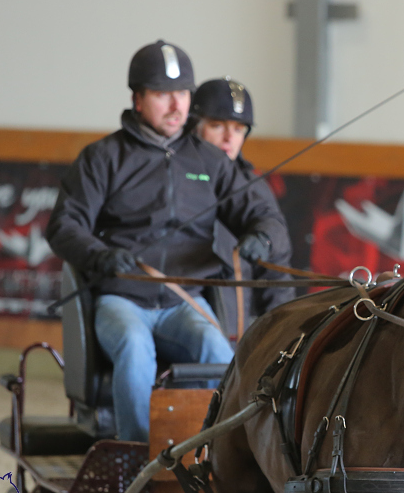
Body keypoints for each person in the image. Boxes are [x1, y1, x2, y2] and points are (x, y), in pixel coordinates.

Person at [45, 41, 290, 442]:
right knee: (133, 345)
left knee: (220, 355)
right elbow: (64, 225)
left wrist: (262, 236)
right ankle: (138, 458)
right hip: (122, 300)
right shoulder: (102, 158)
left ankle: (213, 451)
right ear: (138, 99)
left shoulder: (210, 162)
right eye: (163, 95)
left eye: (182, 94)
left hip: (183, 301)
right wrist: (100, 255)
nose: (177, 106)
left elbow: (263, 214)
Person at [191, 77, 295, 319]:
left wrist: (278, 331)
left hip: (237, 322)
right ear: (194, 125)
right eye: (217, 126)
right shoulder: (174, 174)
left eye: (238, 129)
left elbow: (277, 275)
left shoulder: (254, 187)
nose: (229, 137)